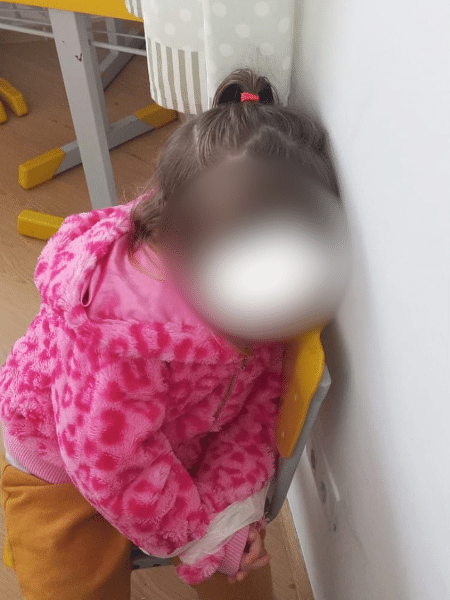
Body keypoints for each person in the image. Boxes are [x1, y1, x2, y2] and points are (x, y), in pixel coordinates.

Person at [0, 68, 338, 600]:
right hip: (62, 462)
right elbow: (110, 463)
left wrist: (225, 520)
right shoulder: (117, 333)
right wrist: (197, 536)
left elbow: (255, 408)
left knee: (243, 566)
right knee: (69, 588)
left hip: (177, 437)